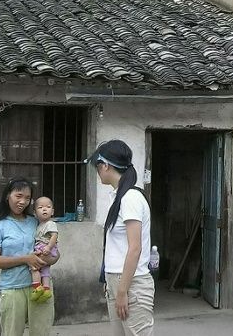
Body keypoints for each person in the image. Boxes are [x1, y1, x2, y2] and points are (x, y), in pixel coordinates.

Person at [85, 139, 154, 336]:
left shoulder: (130, 198)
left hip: (132, 283)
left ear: (105, 165)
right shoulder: (118, 197)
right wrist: (111, 283)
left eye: (98, 166)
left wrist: (122, 290)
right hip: (117, 280)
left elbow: (135, 248)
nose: (98, 172)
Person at [0, 177, 58, 336]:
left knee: (41, 333)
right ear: (8, 196)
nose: (23, 202)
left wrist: (51, 258)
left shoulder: (35, 222)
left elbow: (54, 252)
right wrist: (26, 259)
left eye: (27, 198)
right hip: (12, 288)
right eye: (18, 196)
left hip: (41, 287)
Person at [30, 196, 59, 303]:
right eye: (40, 207)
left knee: (34, 266)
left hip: (45, 248)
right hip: (44, 248)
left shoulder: (50, 224)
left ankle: (37, 287)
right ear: (35, 213)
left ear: (52, 212)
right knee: (45, 270)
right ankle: (46, 289)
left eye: (48, 207)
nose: (44, 209)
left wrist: (48, 247)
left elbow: (54, 236)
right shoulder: (39, 225)